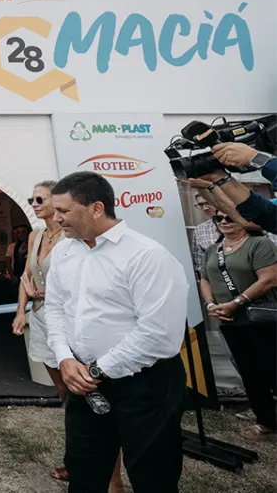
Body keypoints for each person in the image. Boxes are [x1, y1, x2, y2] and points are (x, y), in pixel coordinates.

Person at [44, 172, 189, 493]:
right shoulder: (64, 252)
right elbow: (54, 309)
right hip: (83, 382)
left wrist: (96, 369)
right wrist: (65, 359)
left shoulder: (147, 256)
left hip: (145, 385)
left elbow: (159, 334)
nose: (55, 218)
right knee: (84, 472)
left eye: (64, 211)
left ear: (96, 208)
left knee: (153, 477)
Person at [11, 182, 125, 491]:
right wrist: (22, 309)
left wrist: (49, 294)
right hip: (44, 318)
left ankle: (112, 478)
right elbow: (26, 276)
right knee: (67, 396)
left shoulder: (75, 235)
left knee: (89, 397)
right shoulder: (36, 236)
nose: (34, 204)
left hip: (72, 320)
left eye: (40, 199)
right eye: (30, 198)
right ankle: (78, 459)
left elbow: (84, 283)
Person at [200, 212, 277, 442]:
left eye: (229, 218)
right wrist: (211, 304)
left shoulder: (259, 243)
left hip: (261, 321)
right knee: (250, 374)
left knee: (273, 369)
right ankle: (266, 424)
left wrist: (236, 302)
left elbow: (269, 279)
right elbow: (204, 278)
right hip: (230, 322)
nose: (223, 222)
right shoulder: (215, 249)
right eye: (218, 219)